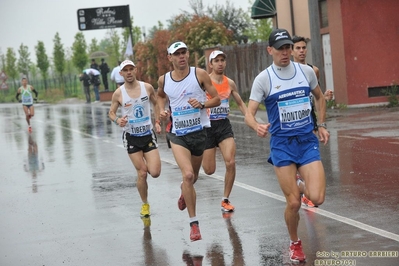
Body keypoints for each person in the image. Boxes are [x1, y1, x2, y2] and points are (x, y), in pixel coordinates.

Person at [245, 29, 330, 263]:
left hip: (306, 141)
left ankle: (301, 185)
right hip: (282, 145)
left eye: (288, 47)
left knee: (318, 197)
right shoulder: (264, 79)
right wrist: (257, 126)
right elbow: (249, 114)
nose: (285, 52)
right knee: (293, 203)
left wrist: (321, 124)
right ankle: (295, 243)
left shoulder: (306, 72)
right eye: (280, 48)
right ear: (269, 50)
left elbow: (320, 97)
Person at [157, 41, 220, 242]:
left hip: (199, 133)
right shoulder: (164, 80)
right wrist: (161, 110)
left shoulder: (199, 74)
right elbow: (160, 97)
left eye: (184, 52)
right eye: (177, 54)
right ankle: (194, 224)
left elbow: (217, 99)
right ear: (170, 58)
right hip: (178, 135)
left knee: (193, 179)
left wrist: (202, 104)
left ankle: (185, 191)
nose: (181, 57)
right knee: (189, 174)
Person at [108, 59, 161, 218]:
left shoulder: (147, 87)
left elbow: (157, 103)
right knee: (143, 173)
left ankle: (145, 189)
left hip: (147, 135)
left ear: (136, 70)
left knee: (155, 172)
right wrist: (118, 120)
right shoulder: (119, 93)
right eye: (126, 70)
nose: (129, 72)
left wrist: (157, 121)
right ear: (121, 73)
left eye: (131, 69)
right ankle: (145, 204)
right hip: (131, 137)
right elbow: (111, 113)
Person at [202, 50, 247, 213]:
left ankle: (225, 199)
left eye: (222, 60)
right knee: (209, 170)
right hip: (207, 127)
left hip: (223, 125)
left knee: (231, 161)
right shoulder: (204, 82)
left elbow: (240, 103)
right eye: (216, 61)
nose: (220, 63)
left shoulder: (230, 83)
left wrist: (250, 117)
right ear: (210, 64)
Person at [291, 35, 333, 207]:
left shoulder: (312, 70)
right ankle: (300, 185)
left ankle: (305, 188)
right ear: (292, 51)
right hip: (291, 122)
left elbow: (316, 97)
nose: (301, 51)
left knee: (310, 155)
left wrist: (325, 97)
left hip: (310, 120)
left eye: (303, 48)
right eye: (298, 48)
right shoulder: (288, 70)